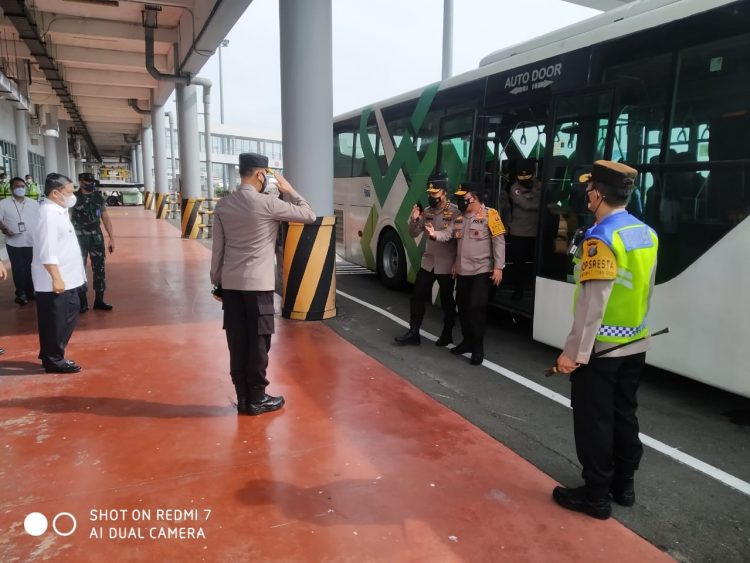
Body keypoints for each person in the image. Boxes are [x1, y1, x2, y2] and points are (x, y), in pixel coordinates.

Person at [552, 160, 658, 520]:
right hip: (636, 343)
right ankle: (623, 486)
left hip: (601, 350)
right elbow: (647, 292)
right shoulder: (646, 233)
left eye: (589, 189)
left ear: (597, 194)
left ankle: (596, 496)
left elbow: (592, 305)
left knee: (594, 421)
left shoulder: (600, 238)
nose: (587, 194)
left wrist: (573, 354)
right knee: (624, 415)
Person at [210, 153, 316, 416]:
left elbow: (218, 250)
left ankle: (243, 397)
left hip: (232, 286)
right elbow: (309, 215)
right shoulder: (268, 204)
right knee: (258, 342)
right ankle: (257, 398)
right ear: (261, 174)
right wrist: (289, 190)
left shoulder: (224, 205)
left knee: (237, 341)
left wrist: (218, 282)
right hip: (258, 287)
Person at [429, 183, 505, 365]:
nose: (460, 201)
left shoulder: (490, 215)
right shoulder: (460, 217)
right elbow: (448, 235)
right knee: (462, 307)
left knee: (476, 309)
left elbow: (499, 241)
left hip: (482, 270)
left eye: (463, 197)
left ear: (474, 198)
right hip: (462, 271)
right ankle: (467, 342)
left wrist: (499, 267)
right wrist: (434, 234)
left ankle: (478, 348)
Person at [32, 173, 86, 374]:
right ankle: (53, 359)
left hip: (69, 278)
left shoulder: (59, 211)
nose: (73, 196)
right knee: (55, 321)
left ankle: (50, 352)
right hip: (55, 281)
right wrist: (56, 278)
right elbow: (47, 251)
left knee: (68, 314)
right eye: (69, 192)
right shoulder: (48, 215)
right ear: (55, 193)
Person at [394, 178, 458, 346]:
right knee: (417, 295)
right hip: (428, 262)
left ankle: (447, 333)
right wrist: (414, 220)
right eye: (429, 193)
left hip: (446, 264)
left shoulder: (455, 212)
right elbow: (413, 233)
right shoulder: (428, 211)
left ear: (444, 193)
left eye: (434, 193)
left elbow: (450, 235)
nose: (431, 196)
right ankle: (414, 332)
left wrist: (435, 234)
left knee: (446, 300)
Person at [71, 172, 115, 312]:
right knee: (79, 269)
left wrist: (112, 238)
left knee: (99, 268)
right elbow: (66, 219)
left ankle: (99, 300)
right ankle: (82, 301)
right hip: (78, 239)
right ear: (81, 181)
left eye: (91, 181)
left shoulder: (97, 197)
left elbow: (105, 217)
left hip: (96, 237)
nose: (90, 184)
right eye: (87, 181)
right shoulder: (73, 198)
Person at [0, 177, 40, 305]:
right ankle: (21, 293)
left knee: (31, 267)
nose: (20, 189)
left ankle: (31, 291)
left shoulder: (33, 203)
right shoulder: (3, 203)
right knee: (18, 268)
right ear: (11, 189)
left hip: (31, 241)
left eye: (22, 186)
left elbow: (41, 220)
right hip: (13, 242)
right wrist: (5, 229)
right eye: (17, 186)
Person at [508, 161, 541, 300]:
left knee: (536, 265)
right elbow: (526, 205)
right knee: (518, 264)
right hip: (519, 233)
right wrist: (535, 200)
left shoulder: (539, 185)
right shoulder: (514, 188)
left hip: (536, 232)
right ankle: (518, 290)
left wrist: (532, 198)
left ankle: (534, 289)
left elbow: (542, 202)